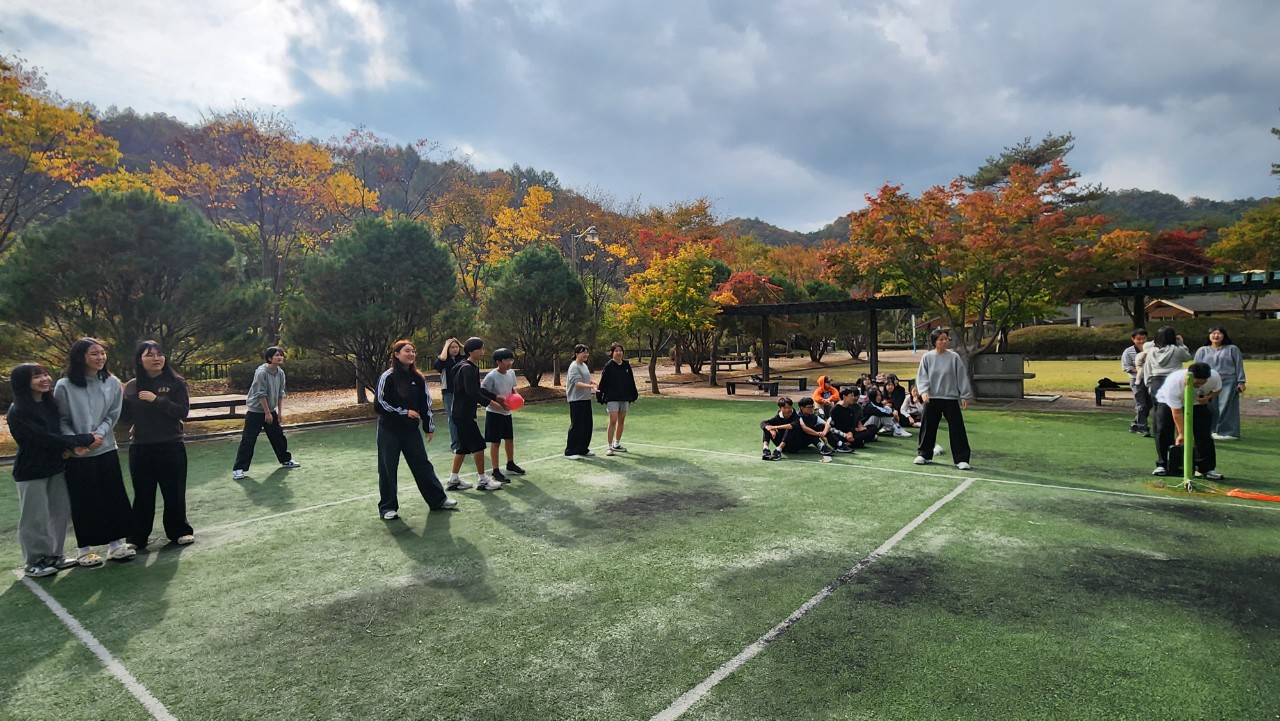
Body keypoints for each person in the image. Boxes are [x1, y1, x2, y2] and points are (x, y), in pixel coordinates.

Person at [7, 363, 96, 577]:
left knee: (59, 513)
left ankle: (55, 555)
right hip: (30, 471)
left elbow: (57, 434)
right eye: (37, 376)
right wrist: (84, 439)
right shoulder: (18, 411)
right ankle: (35, 561)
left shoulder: (49, 404)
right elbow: (44, 438)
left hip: (55, 467)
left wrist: (71, 448)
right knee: (35, 517)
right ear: (23, 382)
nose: (45, 379)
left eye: (46, 374)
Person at [54, 338, 136, 564]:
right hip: (78, 454)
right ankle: (84, 550)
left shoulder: (112, 382)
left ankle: (116, 545)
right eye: (94, 353)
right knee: (84, 501)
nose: (100, 357)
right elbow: (61, 419)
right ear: (80, 357)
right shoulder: (64, 386)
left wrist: (97, 436)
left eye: (102, 353)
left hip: (106, 448)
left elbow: (113, 414)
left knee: (113, 495)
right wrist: (79, 442)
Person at [121, 341, 195, 549]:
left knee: (174, 492)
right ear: (140, 360)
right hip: (141, 447)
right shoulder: (133, 386)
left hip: (171, 444)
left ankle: (179, 531)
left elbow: (182, 412)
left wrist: (157, 400)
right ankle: (137, 537)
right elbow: (125, 418)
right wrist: (118, 399)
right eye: (149, 355)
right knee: (143, 493)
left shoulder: (176, 383)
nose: (156, 358)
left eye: (159, 354)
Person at [375, 340, 457, 519]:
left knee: (422, 465)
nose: (411, 354)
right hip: (389, 430)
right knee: (388, 468)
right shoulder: (387, 377)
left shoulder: (418, 378)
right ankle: (387, 508)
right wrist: (404, 412)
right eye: (407, 351)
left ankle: (438, 500)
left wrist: (429, 426)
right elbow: (380, 404)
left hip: (411, 431)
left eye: (413, 351)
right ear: (396, 354)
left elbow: (425, 404)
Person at [232, 346, 299, 480]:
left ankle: (286, 460)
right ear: (269, 358)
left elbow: (280, 393)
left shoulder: (280, 373)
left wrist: (279, 413)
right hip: (256, 412)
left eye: (281, 355)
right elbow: (260, 394)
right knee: (248, 439)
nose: (280, 357)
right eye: (276, 355)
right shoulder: (261, 373)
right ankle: (238, 469)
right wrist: (267, 413)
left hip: (271, 411)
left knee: (278, 437)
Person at [447, 337, 504, 490]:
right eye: (480, 349)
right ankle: (483, 480)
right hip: (463, 414)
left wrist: (494, 397)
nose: (483, 351)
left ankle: (453, 480)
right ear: (471, 351)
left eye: (483, 348)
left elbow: (477, 390)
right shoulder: (466, 368)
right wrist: (491, 403)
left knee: (463, 447)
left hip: (461, 413)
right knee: (478, 445)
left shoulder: (470, 366)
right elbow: (471, 392)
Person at [914, 328, 974, 469]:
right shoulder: (927, 357)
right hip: (932, 398)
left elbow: (961, 376)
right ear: (934, 342)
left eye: (946, 339)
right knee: (928, 426)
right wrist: (924, 392)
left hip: (950, 398)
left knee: (957, 428)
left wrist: (965, 395)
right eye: (941, 339)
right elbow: (922, 376)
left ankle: (962, 459)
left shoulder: (954, 357)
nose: (944, 341)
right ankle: (924, 454)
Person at [1152, 362, 1222, 480]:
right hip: (1166, 402)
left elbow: (1217, 389)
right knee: (1163, 429)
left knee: (1203, 433)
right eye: (1196, 382)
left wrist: (1208, 397)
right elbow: (1177, 412)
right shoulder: (1174, 382)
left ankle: (1205, 468)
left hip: (1196, 404)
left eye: (1202, 383)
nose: (1199, 385)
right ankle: (1163, 465)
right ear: (1188, 376)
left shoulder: (1214, 376)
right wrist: (1182, 434)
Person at [1138, 326, 1191, 464]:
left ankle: (1162, 459)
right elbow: (1187, 356)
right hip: (1175, 381)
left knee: (1160, 420)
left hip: (1157, 382)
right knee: (1178, 413)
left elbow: (1148, 369)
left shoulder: (1151, 351)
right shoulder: (1177, 350)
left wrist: (1149, 385)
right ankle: (1181, 454)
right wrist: (1181, 343)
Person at [1194, 326, 1246, 441]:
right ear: (1209, 336)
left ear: (1224, 335)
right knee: (1210, 406)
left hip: (1228, 381)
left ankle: (1228, 432)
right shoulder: (1202, 350)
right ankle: (1211, 430)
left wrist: (1241, 381)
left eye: (1219, 333)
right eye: (1213, 333)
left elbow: (1239, 365)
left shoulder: (1232, 349)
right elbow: (1196, 367)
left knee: (1226, 406)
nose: (1216, 336)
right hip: (1208, 381)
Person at [482, 347, 526, 483]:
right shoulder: (491, 376)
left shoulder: (511, 373)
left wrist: (518, 398)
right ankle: (495, 471)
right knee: (495, 442)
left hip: (507, 412)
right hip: (494, 413)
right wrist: (495, 400)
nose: (509, 363)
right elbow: (482, 391)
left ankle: (510, 464)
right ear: (498, 362)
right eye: (506, 360)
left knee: (509, 439)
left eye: (510, 360)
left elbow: (512, 389)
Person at [598, 342, 639, 456]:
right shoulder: (608, 366)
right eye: (616, 351)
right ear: (612, 353)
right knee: (613, 420)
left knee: (621, 421)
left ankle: (617, 444)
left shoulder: (626, 365)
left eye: (620, 350)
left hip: (624, 397)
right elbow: (603, 382)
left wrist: (633, 395)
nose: (619, 353)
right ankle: (609, 446)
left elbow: (631, 380)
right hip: (612, 397)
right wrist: (600, 396)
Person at [564, 343, 597, 460]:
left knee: (587, 425)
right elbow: (577, 383)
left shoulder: (584, 365)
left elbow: (585, 380)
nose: (586, 354)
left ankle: (583, 448)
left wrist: (592, 382)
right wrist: (591, 387)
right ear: (576, 354)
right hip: (576, 400)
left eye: (587, 352)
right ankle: (570, 451)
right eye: (583, 352)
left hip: (585, 399)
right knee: (577, 425)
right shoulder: (574, 366)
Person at [434, 337, 466, 453]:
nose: (455, 349)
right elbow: (442, 359)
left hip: (462, 392)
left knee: (463, 417)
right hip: (448, 393)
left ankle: (465, 443)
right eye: (452, 347)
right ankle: (455, 445)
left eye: (456, 347)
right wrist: (447, 345)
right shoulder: (442, 361)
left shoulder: (462, 359)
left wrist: (460, 344)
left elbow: (471, 351)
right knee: (452, 418)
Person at [1121, 328, 1152, 436]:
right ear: (1133, 339)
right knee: (1141, 403)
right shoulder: (1128, 351)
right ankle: (1142, 427)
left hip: (1150, 379)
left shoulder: (1151, 349)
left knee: (1149, 404)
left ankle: (1136, 424)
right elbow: (1126, 367)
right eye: (1139, 339)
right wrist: (1140, 370)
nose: (1142, 341)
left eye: (1144, 338)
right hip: (1136, 380)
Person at [828, 387, 878, 452]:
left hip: (849, 434)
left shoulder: (850, 411)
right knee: (832, 436)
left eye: (854, 396)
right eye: (851, 396)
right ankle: (849, 443)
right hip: (839, 433)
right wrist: (845, 435)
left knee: (869, 430)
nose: (853, 398)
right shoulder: (835, 409)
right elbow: (831, 427)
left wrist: (850, 433)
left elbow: (850, 426)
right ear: (844, 397)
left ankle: (848, 443)